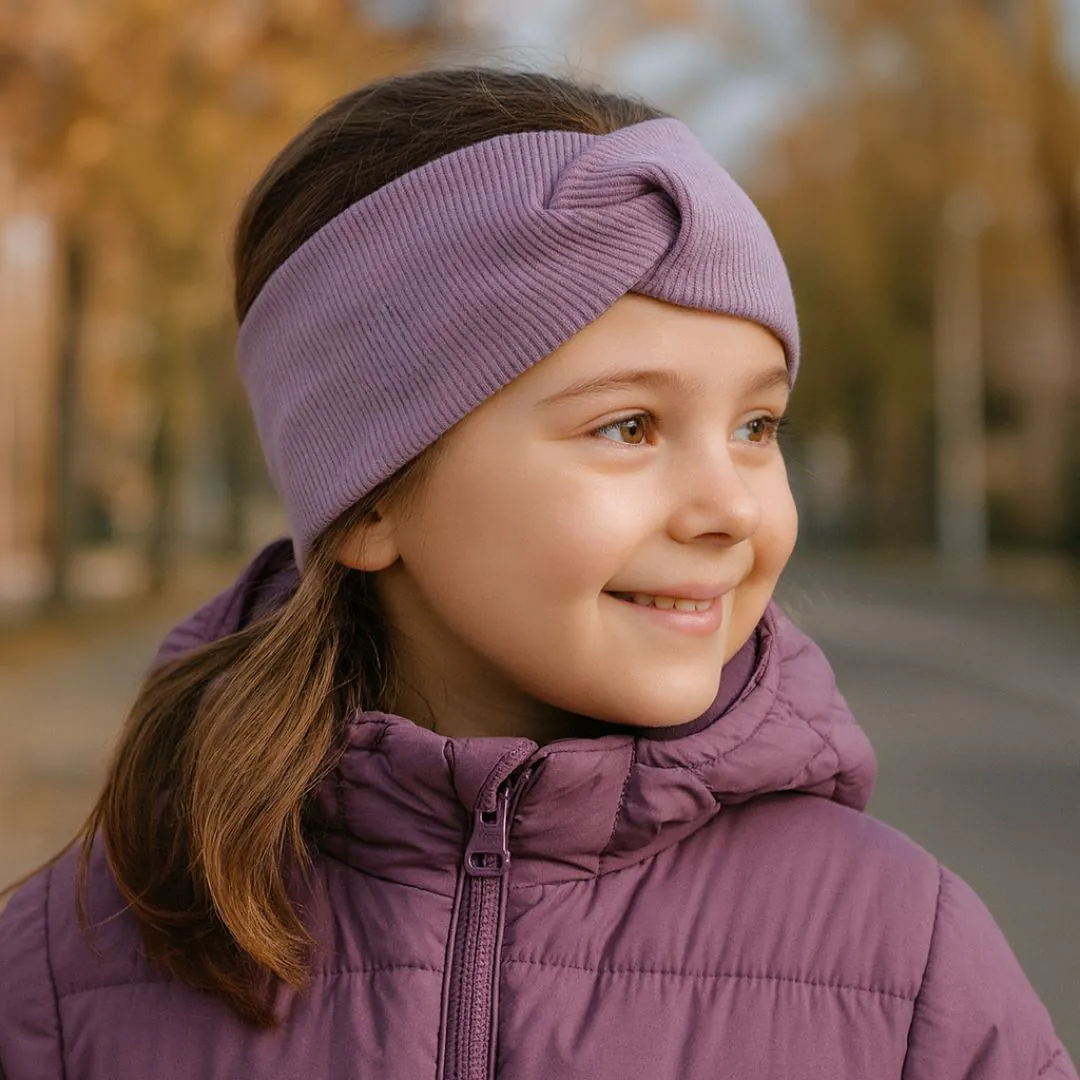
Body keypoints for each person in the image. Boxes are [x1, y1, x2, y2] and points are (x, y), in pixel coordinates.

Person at [0, 67, 1074, 1080]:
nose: (731, 508)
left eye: (758, 425)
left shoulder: (899, 958)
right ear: (372, 496)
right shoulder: (74, 966)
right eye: (628, 426)